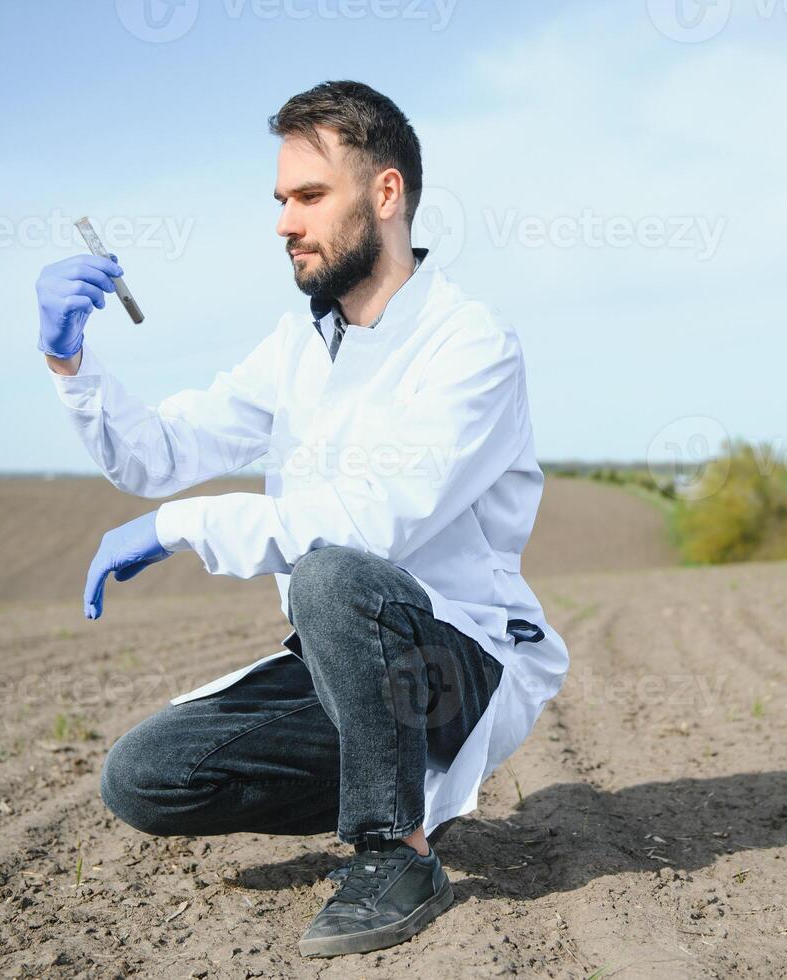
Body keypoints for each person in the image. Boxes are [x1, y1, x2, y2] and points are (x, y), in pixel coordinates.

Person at [33, 80, 568, 959]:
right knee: (147, 777)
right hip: (343, 662)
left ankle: (393, 850)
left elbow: (367, 527)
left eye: (310, 197)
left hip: (456, 660)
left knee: (332, 570)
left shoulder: (470, 342)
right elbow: (157, 455)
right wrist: (68, 360)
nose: (285, 222)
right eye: (281, 200)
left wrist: (177, 530)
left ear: (385, 194)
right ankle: (380, 776)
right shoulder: (297, 349)